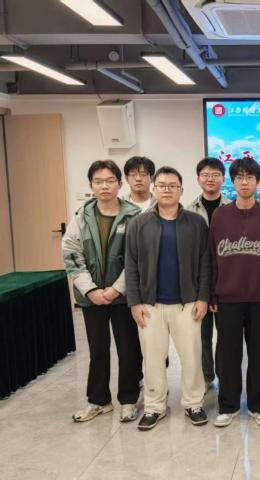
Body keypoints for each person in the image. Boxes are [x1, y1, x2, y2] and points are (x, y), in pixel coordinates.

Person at [125, 166, 210, 431]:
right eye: (161, 185)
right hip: (150, 305)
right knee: (152, 358)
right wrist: (134, 302)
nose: (167, 190)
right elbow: (131, 265)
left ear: (181, 190)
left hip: (187, 302)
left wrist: (203, 297)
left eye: (173, 185)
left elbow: (205, 263)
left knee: (192, 357)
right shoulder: (139, 224)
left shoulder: (196, 223)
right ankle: (154, 406)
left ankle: (193, 403)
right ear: (154, 189)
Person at [62, 160, 142, 423]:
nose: (104, 186)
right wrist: (92, 290)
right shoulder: (81, 217)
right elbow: (71, 253)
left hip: (124, 297)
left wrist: (116, 289)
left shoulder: (134, 216)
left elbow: (137, 258)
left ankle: (129, 400)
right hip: (91, 298)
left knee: (128, 350)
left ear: (120, 183)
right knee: (97, 351)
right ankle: (99, 401)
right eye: (98, 181)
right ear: (91, 185)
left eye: (109, 181)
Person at [210, 157, 260, 428]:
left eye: (250, 177)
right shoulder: (220, 215)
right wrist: (212, 292)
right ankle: (228, 405)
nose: (245, 182)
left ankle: (258, 405)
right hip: (227, 297)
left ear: (258, 182)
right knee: (228, 354)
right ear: (233, 181)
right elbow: (211, 257)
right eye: (239, 177)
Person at [186, 157, 231, 388]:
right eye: (205, 175)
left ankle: (225, 376)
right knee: (200, 334)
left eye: (215, 175)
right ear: (198, 179)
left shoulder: (233, 209)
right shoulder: (187, 211)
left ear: (223, 178)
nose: (210, 179)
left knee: (226, 335)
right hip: (197, 283)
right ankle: (205, 377)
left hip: (226, 282)